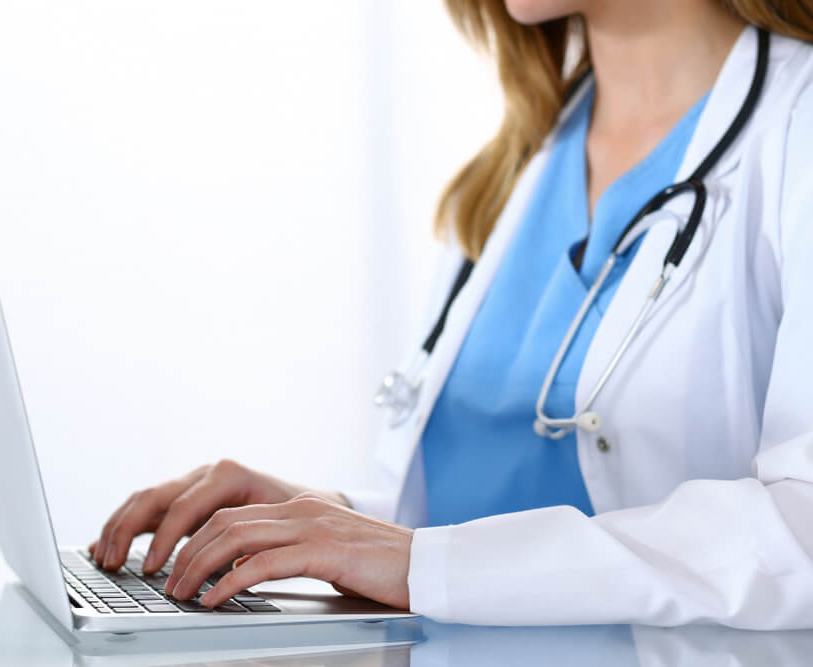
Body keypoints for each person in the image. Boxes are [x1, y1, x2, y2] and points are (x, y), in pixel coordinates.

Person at [90, 0, 813, 628]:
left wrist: (418, 561)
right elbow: (469, 520)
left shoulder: (796, 125)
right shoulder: (521, 161)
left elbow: (801, 533)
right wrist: (324, 518)